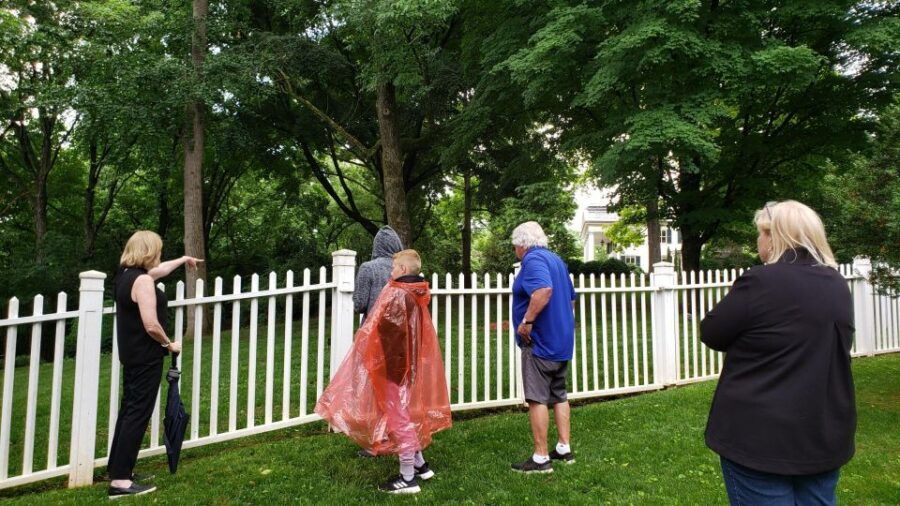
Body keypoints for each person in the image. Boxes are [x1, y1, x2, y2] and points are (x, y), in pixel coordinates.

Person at [700, 200, 855, 506]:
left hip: (760, 437)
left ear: (773, 236)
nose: (759, 241)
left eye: (760, 233)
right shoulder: (837, 283)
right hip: (822, 432)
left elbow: (712, 332)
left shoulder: (761, 280)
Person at [316, 250, 452, 494]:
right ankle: (421, 466)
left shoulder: (400, 295)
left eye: (393, 268)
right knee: (404, 414)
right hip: (405, 367)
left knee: (400, 419)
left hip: (394, 369)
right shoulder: (415, 293)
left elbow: (388, 334)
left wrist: (371, 353)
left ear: (401, 270)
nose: (390, 272)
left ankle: (407, 477)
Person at [107, 231, 202, 499]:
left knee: (129, 411)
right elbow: (150, 324)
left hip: (132, 356)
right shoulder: (143, 283)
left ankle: (118, 470)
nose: (159, 255)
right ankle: (121, 482)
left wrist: (183, 259)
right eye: (157, 250)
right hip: (146, 356)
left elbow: (160, 270)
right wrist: (168, 344)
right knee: (137, 414)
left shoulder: (126, 277)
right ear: (149, 251)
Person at [509, 222, 577, 474]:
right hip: (560, 339)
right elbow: (570, 299)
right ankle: (563, 448)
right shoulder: (556, 260)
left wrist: (527, 321)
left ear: (522, 243)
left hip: (541, 341)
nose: (515, 249)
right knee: (559, 394)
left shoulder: (533, 259)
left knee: (537, 397)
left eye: (515, 244)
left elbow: (543, 290)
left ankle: (540, 458)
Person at [351, 225, 403, 458]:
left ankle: (377, 441)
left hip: (374, 338)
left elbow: (359, 304)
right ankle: (398, 435)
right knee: (395, 389)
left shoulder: (368, 268)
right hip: (398, 337)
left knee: (373, 390)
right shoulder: (402, 268)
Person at [353, 225, 404, 321]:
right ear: (397, 244)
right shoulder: (404, 268)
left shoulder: (368, 268)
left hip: (373, 330)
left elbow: (359, 305)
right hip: (399, 329)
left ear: (376, 245)